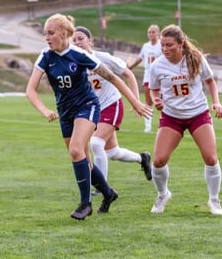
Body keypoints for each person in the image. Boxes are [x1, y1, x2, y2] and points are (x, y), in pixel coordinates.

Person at [26, 13, 152, 220]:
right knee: (82, 159)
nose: (47, 37)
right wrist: (45, 110)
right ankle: (108, 192)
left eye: (51, 33)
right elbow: (30, 90)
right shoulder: (45, 56)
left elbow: (113, 77)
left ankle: (85, 204)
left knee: (77, 150)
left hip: (87, 106)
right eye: (45, 33)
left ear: (65, 34)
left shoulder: (79, 55)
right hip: (65, 112)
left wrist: (135, 102)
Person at [149, 24, 222, 215]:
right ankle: (163, 194)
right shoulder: (157, 65)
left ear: (181, 44)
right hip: (172, 117)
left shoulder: (195, 59)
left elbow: (210, 81)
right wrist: (157, 99)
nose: (165, 49)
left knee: (211, 157)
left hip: (198, 114)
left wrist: (216, 102)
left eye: (169, 45)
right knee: (158, 160)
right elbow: (153, 87)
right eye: (163, 45)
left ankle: (214, 200)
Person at [72, 26, 152, 194]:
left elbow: (128, 74)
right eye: (74, 40)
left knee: (95, 143)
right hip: (92, 109)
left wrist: (135, 102)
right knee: (112, 152)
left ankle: (102, 187)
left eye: (80, 38)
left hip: (111, 105)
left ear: (90, 41)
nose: (77, 42)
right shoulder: (75, 63)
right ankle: (142, 158)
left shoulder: (102, 58)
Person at [127, 24, 162, 133]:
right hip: (148, 75)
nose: (151, 34)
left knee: (162, 100)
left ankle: (164, 124)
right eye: (149, 32)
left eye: (153, 32)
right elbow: (140, 58)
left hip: (160, 75)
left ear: (158, 33)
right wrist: (130, 66)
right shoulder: (146, 46)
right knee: (148, 101)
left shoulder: (161, 45)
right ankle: (148, 127)